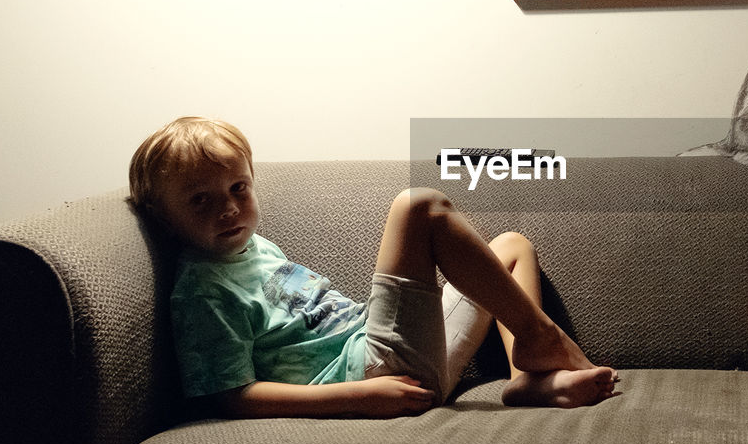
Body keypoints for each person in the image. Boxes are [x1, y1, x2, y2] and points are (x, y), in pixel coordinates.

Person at [129, 116, 619, 418]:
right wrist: (357, 396)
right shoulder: (202, 291)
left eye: (238, 189)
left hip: (394, 358)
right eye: (200, 200)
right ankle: (543, 337)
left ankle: (526, 378)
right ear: (163, 219)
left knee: (512, 246)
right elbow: (233, 397)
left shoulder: (255, 247)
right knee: (417, 206)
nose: (229, 210)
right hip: (370, 372)